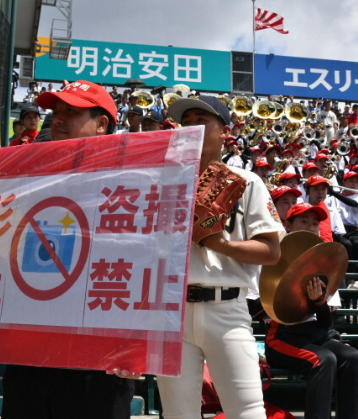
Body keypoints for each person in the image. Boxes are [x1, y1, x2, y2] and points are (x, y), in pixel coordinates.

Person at [0, 80, 133, 419]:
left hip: (97, 363)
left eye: (72, 112)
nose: (58, 118)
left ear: (102, 124)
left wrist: (137, 349)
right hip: (30, 355)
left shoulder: (135, 182)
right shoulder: (22, 179)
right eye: (56, 111)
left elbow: (148, 263)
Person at [136, 96, 283, 419]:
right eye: (186, 122)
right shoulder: (163, 184)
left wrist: (216, 242)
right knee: (178, 414)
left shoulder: (247, 182)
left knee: (247, 412)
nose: (192, 127)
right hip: (172, 311)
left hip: (226, 309)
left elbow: (272, 252)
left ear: (225, 132)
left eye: (202, 120)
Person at [265, 202, 358, 419]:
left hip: (317, 336)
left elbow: (325, 323)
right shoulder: (272, 259)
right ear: (288, 226)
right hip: (283, 338)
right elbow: (256, 308)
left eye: (315, 223)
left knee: (352, 356)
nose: (310, 227)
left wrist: (318, 302)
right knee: (323, 359)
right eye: (304, 221)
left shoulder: (325, 264)